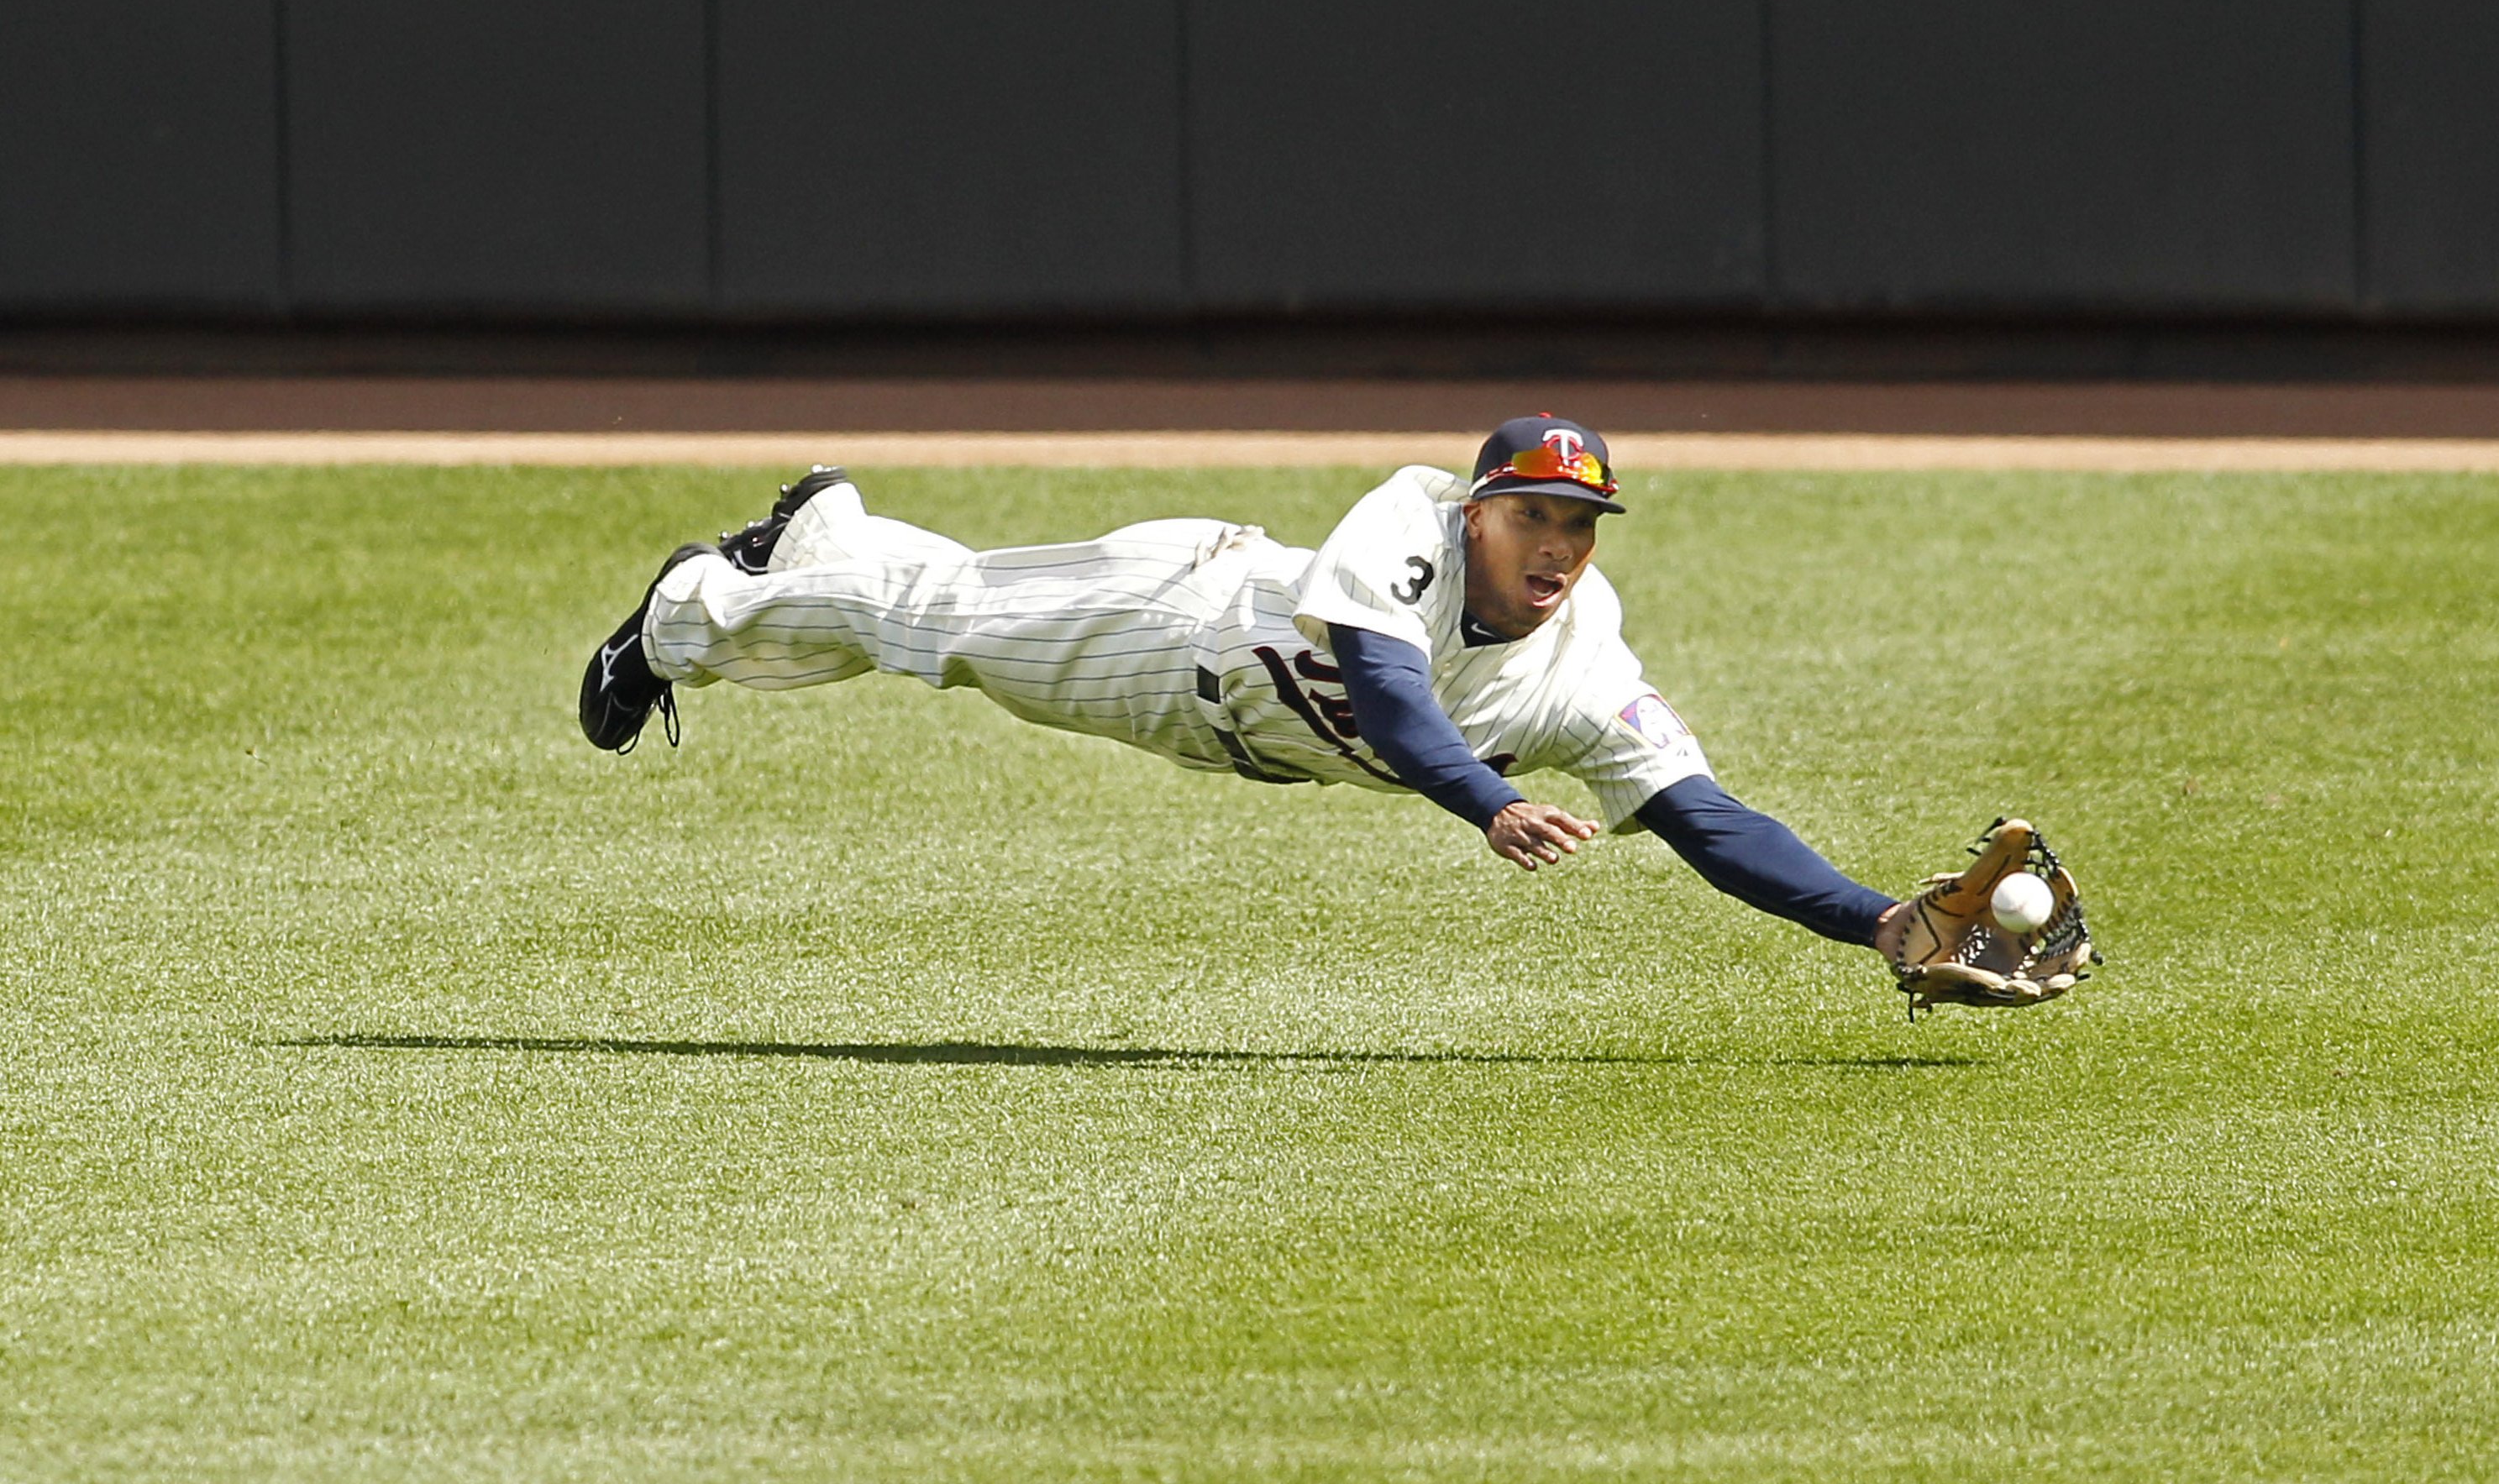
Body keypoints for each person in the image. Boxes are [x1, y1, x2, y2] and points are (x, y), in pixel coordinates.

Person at [578, 416, 2091, 1008]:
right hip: (1174, 627)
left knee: (933, 611)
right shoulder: (1412, 518)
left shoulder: (1582, 656)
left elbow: (1704, 817)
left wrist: (1876, 920)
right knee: (938, 627)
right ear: (1480, 507)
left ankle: (832, 524)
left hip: (1226, 731)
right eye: (1536, 518)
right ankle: (685, 612)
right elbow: (1388, 692)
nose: (1559, 549)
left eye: (1583, 527)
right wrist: (1491, 803)